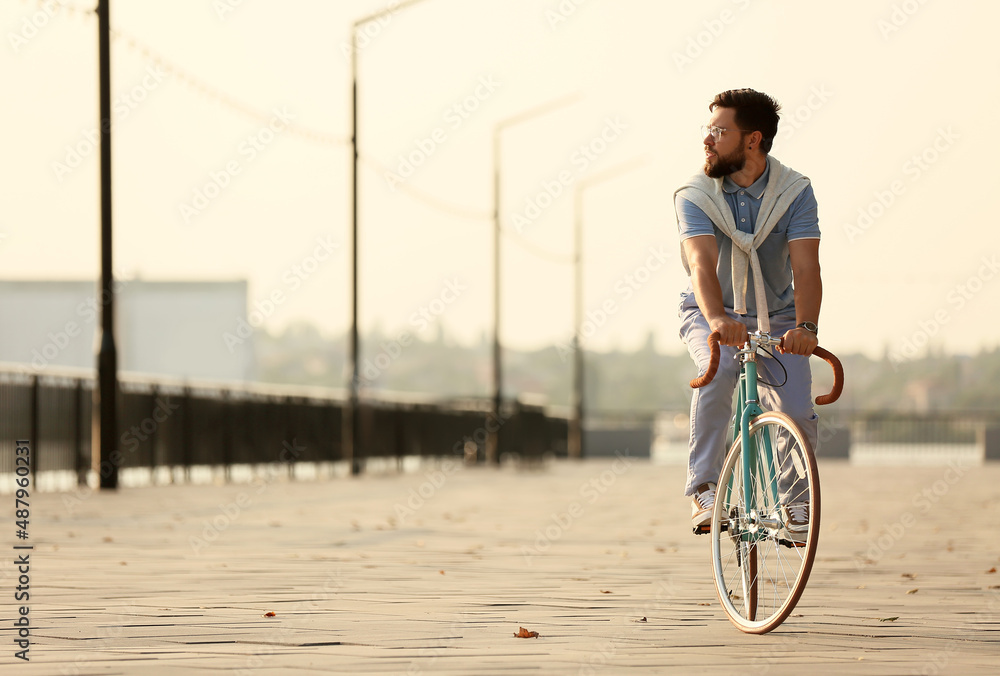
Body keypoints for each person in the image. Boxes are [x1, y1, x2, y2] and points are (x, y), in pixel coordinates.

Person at [674, 88, 821, 540]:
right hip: (709, 311)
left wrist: (806, 327)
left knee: (795, 407)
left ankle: (796, 506)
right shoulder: (695, 193)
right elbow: (700, 263)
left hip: (777, 317)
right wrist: (718, 319)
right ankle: (705, 491)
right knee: (716, 375)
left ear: (752, 140)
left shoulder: (795, 192)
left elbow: (806, 266)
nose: (708, 139)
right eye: (708, 130)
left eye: (720, 131)